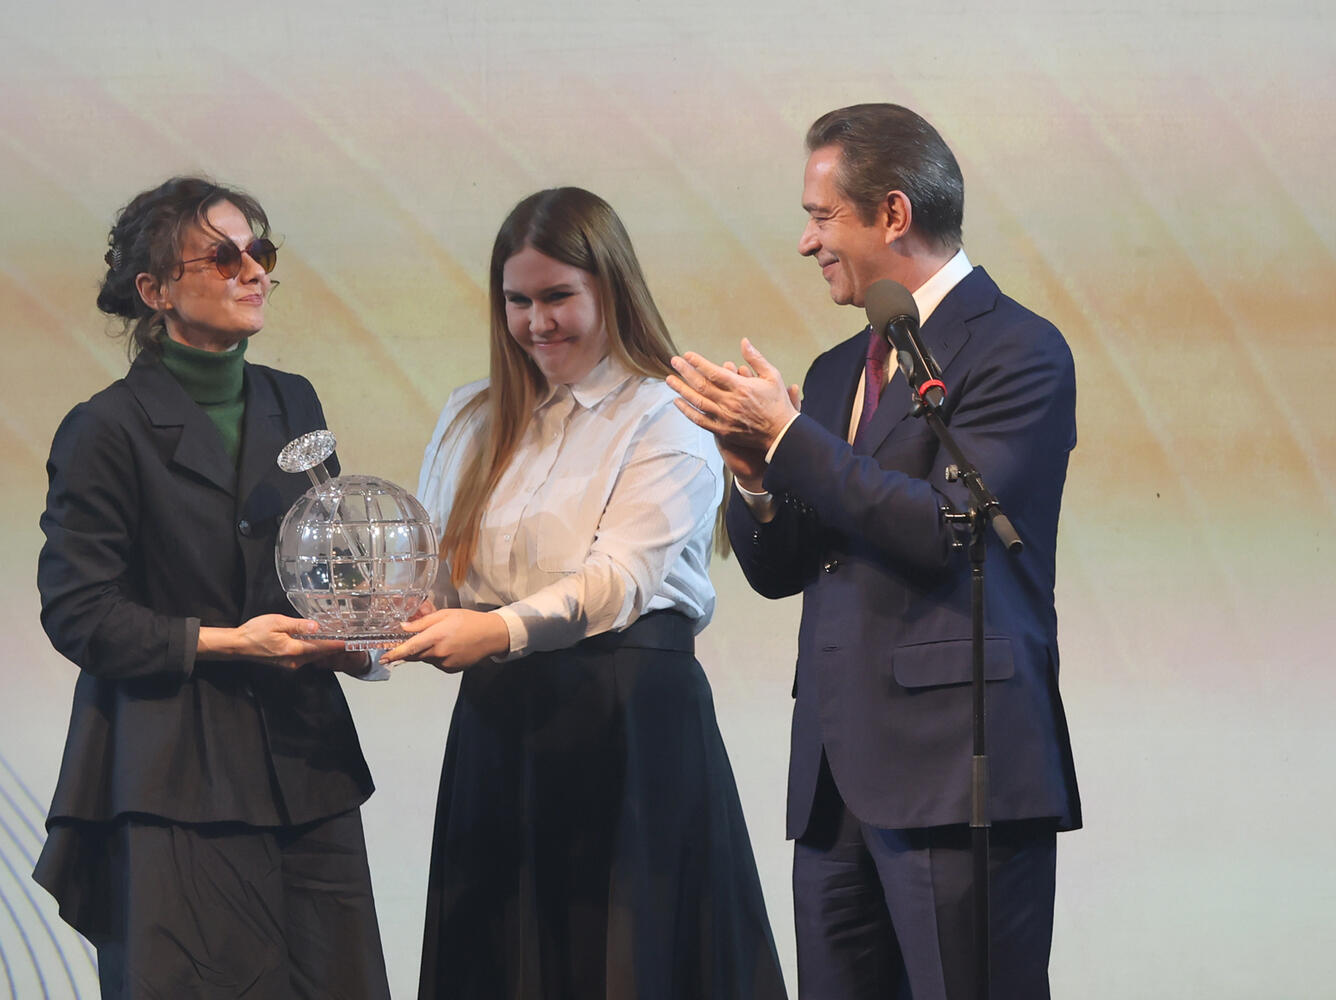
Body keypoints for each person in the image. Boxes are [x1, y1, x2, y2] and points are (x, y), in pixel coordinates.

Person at [667, 104, 1082, 1000]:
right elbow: (781, 571)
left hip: (955, 770)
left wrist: (789, 439)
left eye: (821, 217)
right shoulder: (832, 372)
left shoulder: (1020, 350)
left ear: (893, 214)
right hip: (834, 784)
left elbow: (947, 529)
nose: (807, 242)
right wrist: (755, 475)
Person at [380, 186, 787, 1000]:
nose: (537, 322)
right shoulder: (471, 415)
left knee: (632, 960)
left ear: (611, 287)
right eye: (517, 301)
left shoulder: (667, 413)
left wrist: (492, 631)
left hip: (629, 719)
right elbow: (434, 572)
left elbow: (617, 583)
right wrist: (391, 612)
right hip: (498, 723)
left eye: (557, 296)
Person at [34, 176, 391, 1000]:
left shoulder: (292, 399)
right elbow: (79, 611)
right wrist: (231, 642)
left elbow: (328, 563)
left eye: (259, 253)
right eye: (224, 258)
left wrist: (362, 635)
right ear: (153, 290)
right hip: (175, 774)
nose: (254, 272)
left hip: (305, 769)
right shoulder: (105, 428)